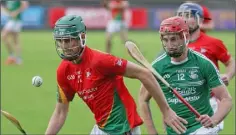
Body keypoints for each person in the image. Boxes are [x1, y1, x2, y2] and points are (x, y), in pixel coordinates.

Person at [44, 15, 188, 135]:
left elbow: (145, 74)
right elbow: (60, 112)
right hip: (101, 128)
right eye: (60, 41)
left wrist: (166, 111)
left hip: (123, 128)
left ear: (81, 37)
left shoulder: (100, 61)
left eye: (68, 40)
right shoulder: (63, 71)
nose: (64, 46)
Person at [139, 16, 232, 135]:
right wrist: (152, 132)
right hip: (174, 131)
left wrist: (214, 120)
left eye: (173, 39)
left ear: (186, 37)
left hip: (202, 128)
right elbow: (143, 100)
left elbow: (226, 99)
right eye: (165, 40)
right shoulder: (157, 67)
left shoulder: (203, 63)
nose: (169, 45)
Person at [177, 2, 235, 131]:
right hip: (185, 103)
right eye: (180, 15)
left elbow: (231, 62)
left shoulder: (213, 43)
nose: (183, 19)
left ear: (200, 20)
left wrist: (228, 75)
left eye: (188, 15)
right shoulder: (174, 46)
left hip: (211, 102)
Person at [1, 1, 29, 65]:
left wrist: (16, 12)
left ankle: (14, 57)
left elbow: (25, 5)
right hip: (11, 20)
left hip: (16, 21)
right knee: (13, 40)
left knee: (6, 37)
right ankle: (15, 58)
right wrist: (4, 10)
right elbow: (10, 9)